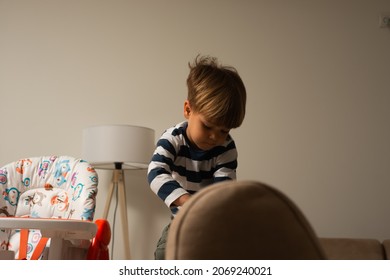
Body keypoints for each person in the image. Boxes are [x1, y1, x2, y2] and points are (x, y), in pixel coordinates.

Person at [147, 55, 247, 260]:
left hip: (212, 222)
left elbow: (223, 190)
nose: (215, 136)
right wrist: (187, 201)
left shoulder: (226, 147)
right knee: (164, 252)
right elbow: (155, 172)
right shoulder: (173, 139)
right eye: (208, 126)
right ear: (187, 110)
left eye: (224, 130)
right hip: (181, 220)